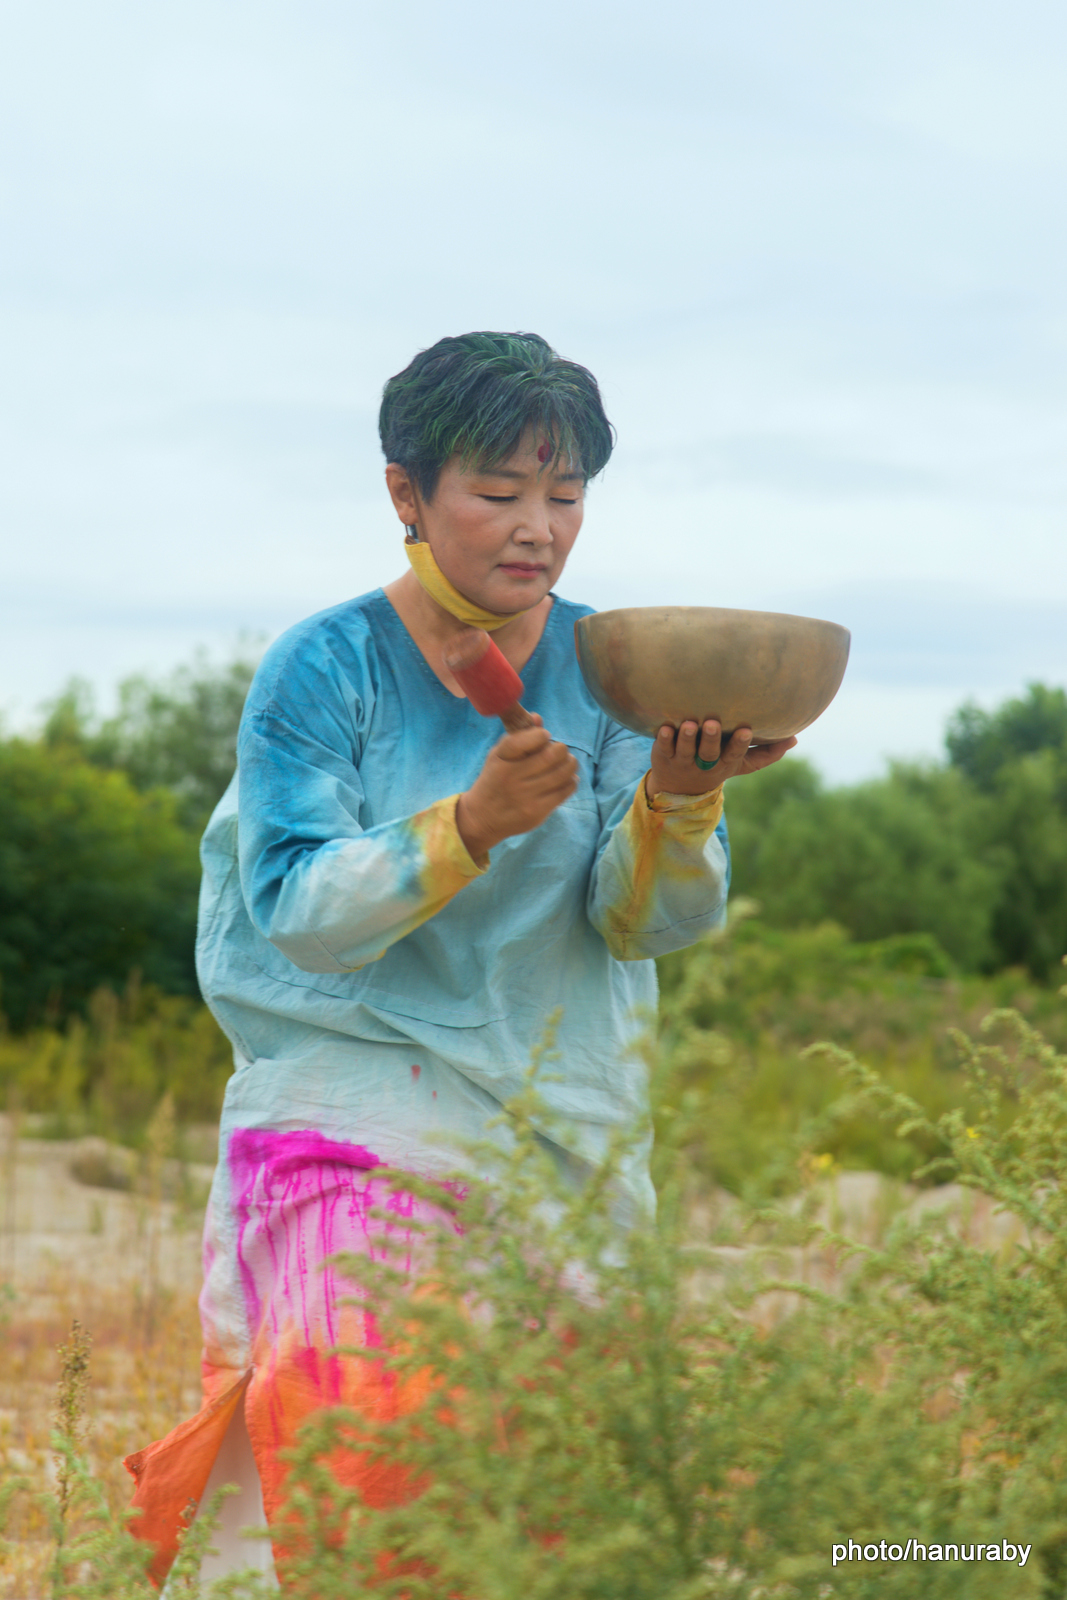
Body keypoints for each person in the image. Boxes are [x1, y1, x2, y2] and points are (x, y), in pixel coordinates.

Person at [124, 331, 795, 1586]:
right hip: (345, 1109)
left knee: (550, 1484)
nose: (537, 526)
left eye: (565, 493)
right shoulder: (324, 666)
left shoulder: (615, 667)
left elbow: (642, 923)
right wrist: (467, 827)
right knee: (349, 1453)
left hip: (562, 1118)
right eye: (497, 491)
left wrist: (681, 797)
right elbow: (294, 907)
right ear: (405, 494)